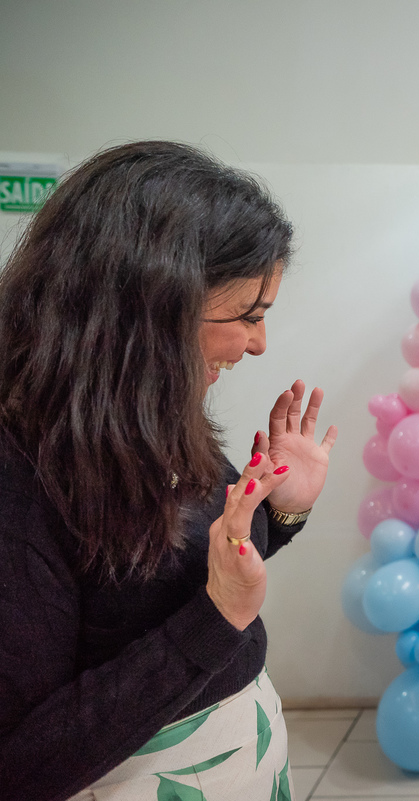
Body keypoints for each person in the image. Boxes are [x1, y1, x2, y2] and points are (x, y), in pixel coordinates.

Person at [0, 141, 337, 801]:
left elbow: (199, 566)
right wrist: (216, 619)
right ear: (151, 306)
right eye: (248, 315)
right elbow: (22, 763)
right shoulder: (20, 476)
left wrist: (283, 511)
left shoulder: (153, 413)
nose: (259, 343)